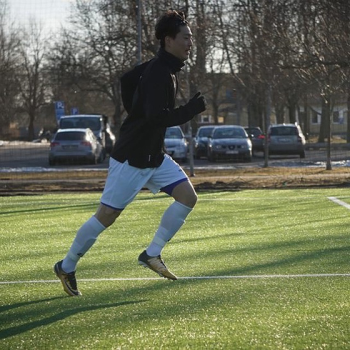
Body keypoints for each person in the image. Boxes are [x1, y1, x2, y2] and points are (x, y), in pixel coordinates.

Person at [54, 9, 206, 296]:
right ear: (168, 40)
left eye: (191, 38)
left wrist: (134, 113)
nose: (190, 43)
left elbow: (126, 80)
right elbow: (156, 117)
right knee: (106, 217)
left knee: (187, 197)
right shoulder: (159, 73)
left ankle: (151, 254)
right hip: (132, 160)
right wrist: (189, 111)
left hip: (154, 157)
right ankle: (67, 265)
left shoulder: (163, 67)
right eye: (185, 38)